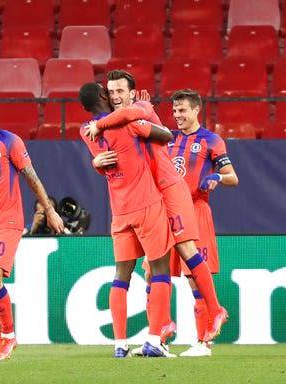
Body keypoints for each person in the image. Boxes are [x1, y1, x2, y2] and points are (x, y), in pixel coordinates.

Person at [87, 70, 229, 356]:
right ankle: (159, 332)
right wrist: (97, 163)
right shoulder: (121, 122)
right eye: (111, 91)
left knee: (187, 249)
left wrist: (108, 122)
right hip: (149, 197)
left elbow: (164, 136)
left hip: (169, 188)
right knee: (153, 268)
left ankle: (215, 311)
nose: (115, 96)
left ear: (131, 92)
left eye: (120, 91)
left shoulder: (140, 109)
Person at [0, 92, 65, 360]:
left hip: (8, 220)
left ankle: (8, 337)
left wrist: (49, 210)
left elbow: (32, 178)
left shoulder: (8, 141)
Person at [79, 82, 175, 358]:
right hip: (146, 205)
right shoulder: (130, 125)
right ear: (102, 96)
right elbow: (166, 135)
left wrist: (96, 163)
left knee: (121, 276)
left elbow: (100, 159)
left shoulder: (87, 133)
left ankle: (120, 343)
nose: (113, 96)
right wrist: (143, 112)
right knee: (160, 271)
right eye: (107, 92)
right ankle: (154, 339)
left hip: (119, 213)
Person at [164, 89, 239, 357]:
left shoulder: (211, 140)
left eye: (182, 110)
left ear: (196, 110)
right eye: (174, 111)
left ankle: (203, 342)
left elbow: (232, 176)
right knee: (153, 272)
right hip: (167, 213)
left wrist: (217, 178)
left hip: (196, 210)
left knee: (194, 278)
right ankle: (159, 336)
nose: (178, 116)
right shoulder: (168, 140)